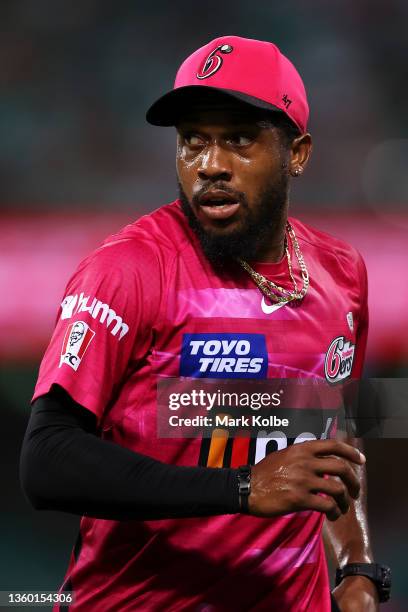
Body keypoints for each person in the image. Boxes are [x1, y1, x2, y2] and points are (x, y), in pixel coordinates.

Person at [20, 36, 390, 611]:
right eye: (193, 141)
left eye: (239, 140)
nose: (210, 165)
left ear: (298, 154)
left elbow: (334, 426)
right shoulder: (128, 270)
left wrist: (357, 567)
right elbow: (45, 461)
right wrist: (244, 488)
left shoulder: (342, 275)